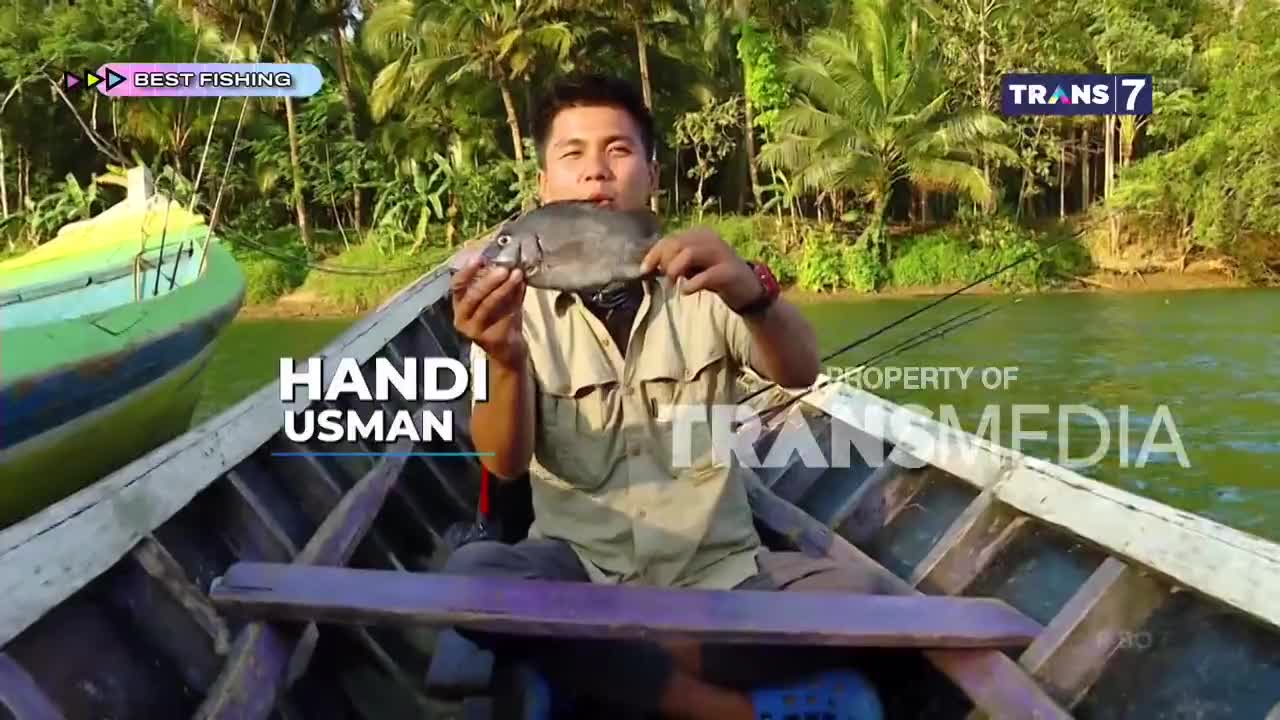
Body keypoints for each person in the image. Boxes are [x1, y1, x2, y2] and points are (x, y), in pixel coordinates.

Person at [441, 73, 886, 720]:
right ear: (544, 187)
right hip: (580, 571)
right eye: (572, 154)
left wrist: (755, 294)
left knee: (866, 598)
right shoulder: (509, 305)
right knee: (472, 578)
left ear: (651, 175)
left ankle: (601, 662)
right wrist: (504, 358)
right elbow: (502, 463)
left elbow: (799, 372)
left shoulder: (703, 278)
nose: (596, 170)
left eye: (618, 150)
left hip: (722, 574)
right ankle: (724, 710)